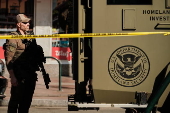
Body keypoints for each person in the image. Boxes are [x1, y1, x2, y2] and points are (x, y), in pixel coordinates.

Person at [3, 14, 40, 113]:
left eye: (28, 22)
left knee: (26, 102)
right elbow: (9, 58)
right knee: (15, 102)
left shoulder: (30, 36)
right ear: (19, 24)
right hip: (19, 75)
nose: (28, 24)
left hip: (30, 74)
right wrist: (13, 76)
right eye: (25, 22)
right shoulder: (13, 38)